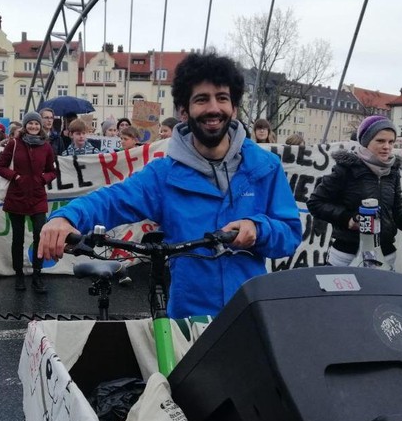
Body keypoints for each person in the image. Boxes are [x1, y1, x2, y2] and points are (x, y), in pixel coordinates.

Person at [40, 52, 302, 319]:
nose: (213, 108)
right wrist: (66, 217)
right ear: (184, 111)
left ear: (233, 108)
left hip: (251, 317)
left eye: (222, 98)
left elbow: (290, 234)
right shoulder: (164, 175)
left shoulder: (265, 167)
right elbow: (113, 199)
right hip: (188, 322)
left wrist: (258, 229)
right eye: (202, 99)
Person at [307, 116, 402, 269]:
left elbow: (396, 211)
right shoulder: (346, 169)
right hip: (348, 252)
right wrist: (348, 219)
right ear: (366, 141)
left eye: (391, 142)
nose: (387, 146)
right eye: (380, 141)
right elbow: (316, 203)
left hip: (385, 252)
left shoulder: (393, 171)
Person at [0, 111, 58, 293]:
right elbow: (0, 167)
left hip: (38, 197)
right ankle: (19, 275)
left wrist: (42, 179)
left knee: (40, 236)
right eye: (30, 124)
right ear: (25, 125)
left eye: (36, 124)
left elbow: (52, 171)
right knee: (18, 238)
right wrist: (16, 176)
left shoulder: (46, 147)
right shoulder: (14, 144)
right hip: (17, 196)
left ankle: (37, 275)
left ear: (40, 126)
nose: (34, 127)